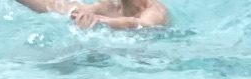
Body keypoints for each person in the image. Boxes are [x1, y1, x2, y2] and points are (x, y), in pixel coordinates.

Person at [15, 0, 171, 27]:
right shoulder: (111, 5)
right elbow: (62, 7)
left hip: (147, 58)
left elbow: (140, 24)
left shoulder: (155, 11)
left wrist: (99, 19)